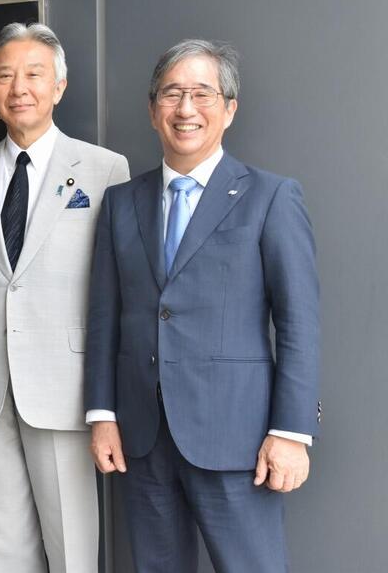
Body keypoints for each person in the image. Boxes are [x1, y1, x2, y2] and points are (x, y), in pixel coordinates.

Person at [85, 39, 320, 572]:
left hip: (237, 439)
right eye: (172, 94)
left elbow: (299, 323)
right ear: (152, 110)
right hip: (142, 435)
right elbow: (104, 317)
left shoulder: (270, 196)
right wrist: (102, 414)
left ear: (230, 108)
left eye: (201, 94)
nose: (185, 109)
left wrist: (290, 432)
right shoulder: (122, 202)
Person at [0, 22, 129, 572]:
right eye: (5, 76)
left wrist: (106, 395)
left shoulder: (104, 169)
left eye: (33, 74)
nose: (19, 87)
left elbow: (115, 290)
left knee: (71, 544)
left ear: (59, 86)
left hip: (65, 387)